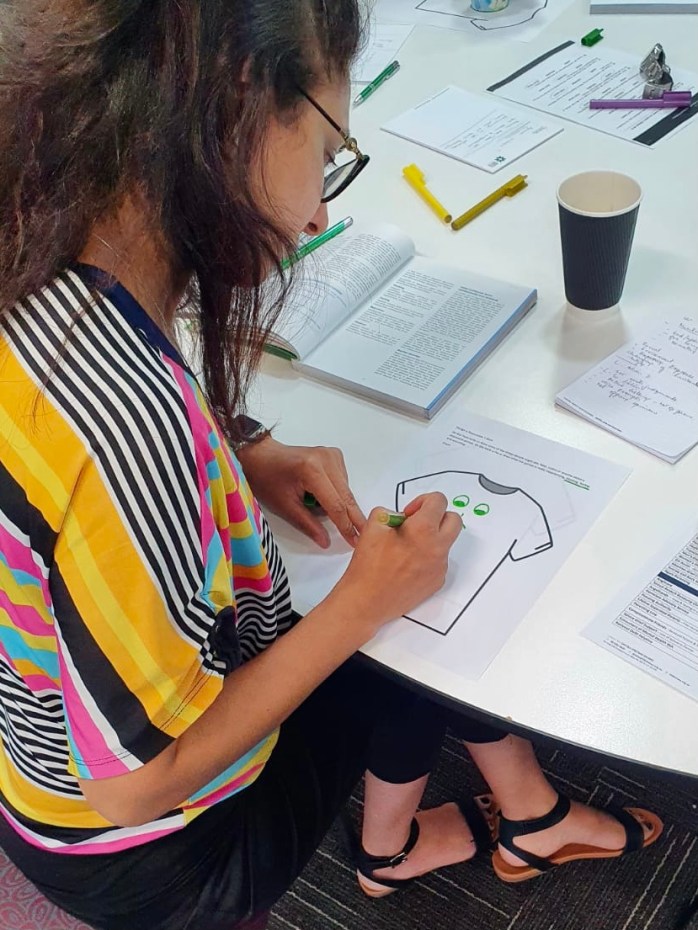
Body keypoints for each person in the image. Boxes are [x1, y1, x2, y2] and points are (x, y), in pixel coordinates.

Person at [0, 3, 662, 929]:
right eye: (325, 152)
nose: (317, 211)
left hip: (43, 749)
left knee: (392, 586)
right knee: (410, 635)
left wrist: (244, 447)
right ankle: (398, 849)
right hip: (156, 853)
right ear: (233, 110)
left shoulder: (47, 258)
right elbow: (138, 788)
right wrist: (362, 604)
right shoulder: (110, 419)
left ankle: (526, 808)